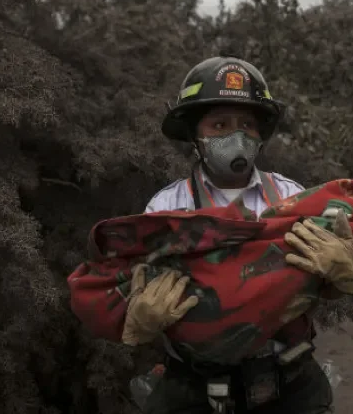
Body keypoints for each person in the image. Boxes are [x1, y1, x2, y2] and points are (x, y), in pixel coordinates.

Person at [132, 56, 339, 414]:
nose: (236, 135)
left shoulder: (293, 198)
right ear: (194, 135)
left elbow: (319, 284)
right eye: (219, 124)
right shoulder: (167, 207)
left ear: (261, 135)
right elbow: (140, 285)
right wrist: (142, 314)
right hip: (194, 388)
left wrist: (335, 275)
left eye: (247, 123)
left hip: (288, 381)